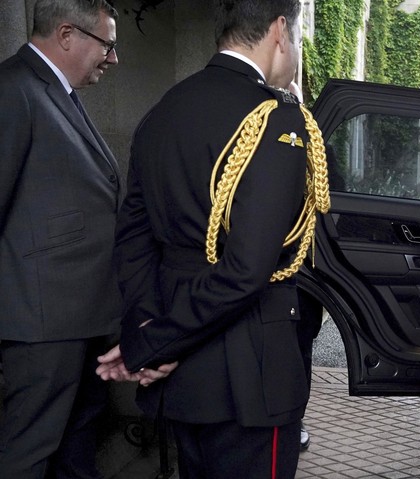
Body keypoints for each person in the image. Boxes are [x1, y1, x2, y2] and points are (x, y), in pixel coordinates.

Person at [96, 1, 330, 477]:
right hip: (249, 376)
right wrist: (154, 345)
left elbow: (135, 238)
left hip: (181, 377)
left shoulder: (162, 111)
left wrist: (150, 334)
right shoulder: (277, 120)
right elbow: (247, 269)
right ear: (280, 30)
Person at [0, 1, 122, 477]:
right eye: (107, 45)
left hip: (79, 318)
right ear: (67, 35)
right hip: (40, 326)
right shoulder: (13, 89)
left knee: (76, 444)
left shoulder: (57, 90)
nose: (113, 60)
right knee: (30, 452)